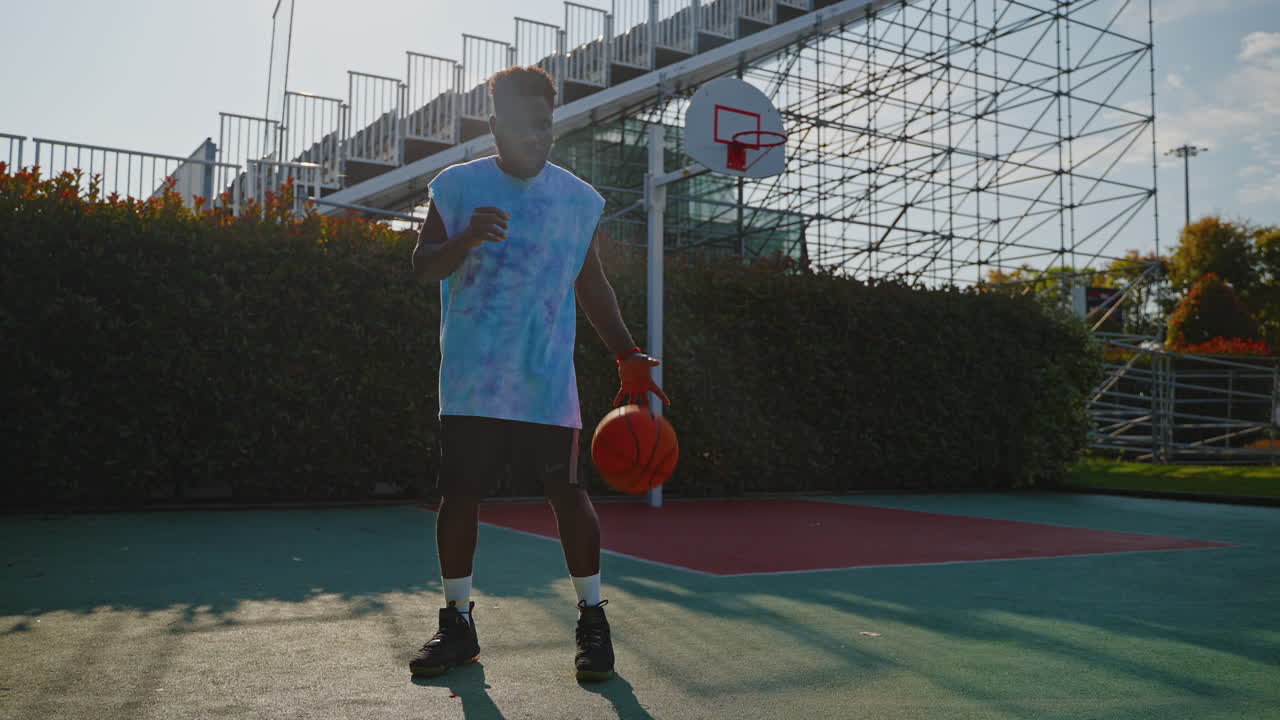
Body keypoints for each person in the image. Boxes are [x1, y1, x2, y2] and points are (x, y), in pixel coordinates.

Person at [407, 65, 669, 682]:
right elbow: (422, 268)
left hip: (546, 382)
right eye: (527, 122)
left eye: (547, 123)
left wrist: (627, 355)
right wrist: (465, 239)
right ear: (495, 124)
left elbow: (592, 283)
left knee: (569, 497)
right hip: (472, 380)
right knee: (460, 498)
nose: (539, 134)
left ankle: (593, 620)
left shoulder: (577, 200)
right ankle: (458, 622)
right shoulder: (456, 188)